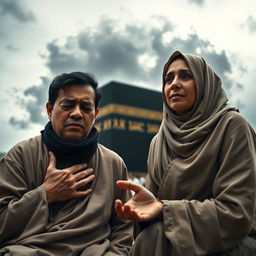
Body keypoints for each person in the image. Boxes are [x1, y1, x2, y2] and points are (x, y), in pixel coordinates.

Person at [115, 51, 256, 255]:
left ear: (204, 84)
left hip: (232, 240)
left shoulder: (232, 126)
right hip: (171, 234)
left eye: (186, 76)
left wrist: (164, 209)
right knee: (150, 236)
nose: (174, 84)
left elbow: (236, 213)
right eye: (168, 79)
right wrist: (143, 213)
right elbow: (152, 207)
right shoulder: (159, 141)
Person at [0, 72, 133, 256]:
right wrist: (45, 194)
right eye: (68, 105)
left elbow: (123, 228)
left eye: (86, 108)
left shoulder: (113, 164)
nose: (77, 114)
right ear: (49, 110)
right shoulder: (21, 155)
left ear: (96, 114)